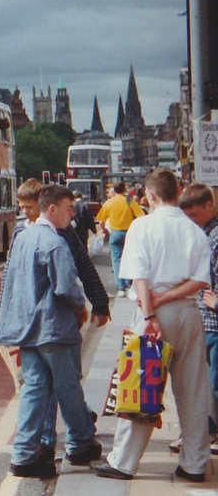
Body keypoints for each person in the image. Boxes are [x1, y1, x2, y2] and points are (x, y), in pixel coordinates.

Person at [90, 170, 212, 482]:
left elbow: (139, 277)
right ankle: (194, 465)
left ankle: (124, 462)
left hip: (152, 315)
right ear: (178, 191)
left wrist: (149, 314)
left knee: (141, 386)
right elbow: (200, 281)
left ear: (151, 195)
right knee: (194, 390)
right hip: (190, 313)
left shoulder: (141, 226)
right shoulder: (196, 231)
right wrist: (170, 296)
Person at [1, 180, 109, 467]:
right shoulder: (54, 242)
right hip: (54, 328)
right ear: (53, 208)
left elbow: (10, 281)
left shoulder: (23, 237)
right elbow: (66, 287)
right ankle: (80, 443)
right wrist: (81, 306)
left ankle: (23, 455)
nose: (73, 215)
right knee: (69, 388)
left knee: (34, 388)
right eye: (69, 209)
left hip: (28, 329)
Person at [169, 183, 218, 455]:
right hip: (206, 320)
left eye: (195, 215)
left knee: (215, 382)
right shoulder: (203, 233)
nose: (191, 222)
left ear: (210, 206)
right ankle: (207, 433)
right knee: (208, 384)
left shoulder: (216, 237)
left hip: (215, 322)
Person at [95, 182, 145, 297]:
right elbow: (140, 215)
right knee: (129, 258)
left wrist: (105, 231)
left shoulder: (110, 202)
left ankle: (121, 288)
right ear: (124, 189)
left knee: (117, 260)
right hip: (129, 233)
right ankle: (129, 283)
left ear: (114, 190)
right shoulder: (128, 200)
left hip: (115, 233)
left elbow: (101, 222)